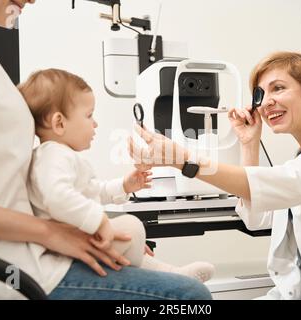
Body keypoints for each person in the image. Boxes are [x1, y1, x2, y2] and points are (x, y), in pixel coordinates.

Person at [0, 0, 212, 300]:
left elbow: (9, 189)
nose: (32, 0)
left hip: (28, 259)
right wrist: (52, 233)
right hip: (5, 275)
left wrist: (100, 231)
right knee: (189, 298)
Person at [130, 51, 301, 299]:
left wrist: (185, 160)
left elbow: (289, 184)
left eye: (278, 88)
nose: (265, 102)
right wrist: (249, 144)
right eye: (260, 94)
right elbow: (258, 218)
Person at [18, 68, 215, 283]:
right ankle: (170, 276)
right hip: (66, 252)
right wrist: (99, 222)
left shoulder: (60, 157)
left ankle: (174, 275)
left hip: (75, 242)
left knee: (131, 236)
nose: (95, 124)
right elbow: (57, 197)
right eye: (89, 115)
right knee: (131, 227)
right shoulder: (53, 155)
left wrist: (124, 186)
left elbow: (92, 192)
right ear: (59, 123)